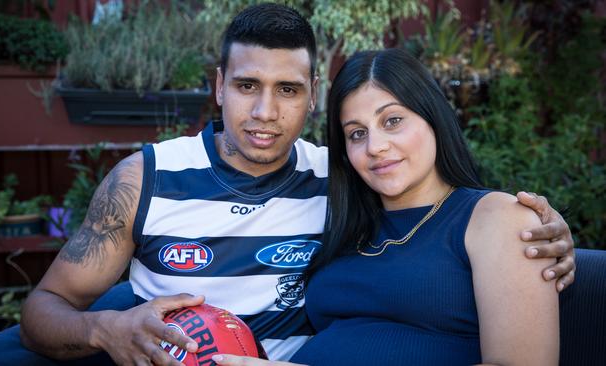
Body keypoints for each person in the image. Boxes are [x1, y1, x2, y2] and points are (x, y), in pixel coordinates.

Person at [0, 4, 571, 366]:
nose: (264, 113)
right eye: (248, 86)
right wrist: (104, 329)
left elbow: (446, 220)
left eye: (288, 91)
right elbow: (42, 309)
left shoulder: (344, 176)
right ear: (218, 84)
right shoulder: (144, 178)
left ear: (309, 100)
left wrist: (544, 236)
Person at [214, 49, 560, 366]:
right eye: (356, 134)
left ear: (433, 117)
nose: (375, 147)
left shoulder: (496, 218)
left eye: (392, 121)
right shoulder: (345, 220)